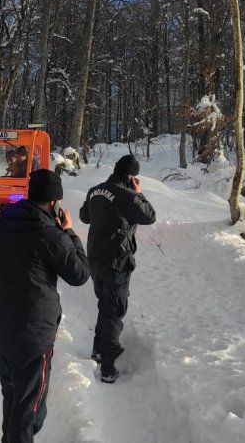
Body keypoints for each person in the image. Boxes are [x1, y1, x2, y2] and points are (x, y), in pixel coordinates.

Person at [0, 169, 90, 443]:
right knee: (30, 411)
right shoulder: (50, 234)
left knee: (13, 395)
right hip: (33, 338)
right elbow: (80, 274)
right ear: (54, 203)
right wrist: (69, 232)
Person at [79, 154, 156, 384]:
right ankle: (108, 368)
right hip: (117, 260)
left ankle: (99, 350)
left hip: (94, 257)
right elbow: (149, 216)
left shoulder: (95, 190)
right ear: (132, 177)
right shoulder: (127, 195)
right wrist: (138, 193)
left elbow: (84, 216)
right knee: (115, 310)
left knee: (105, 304)